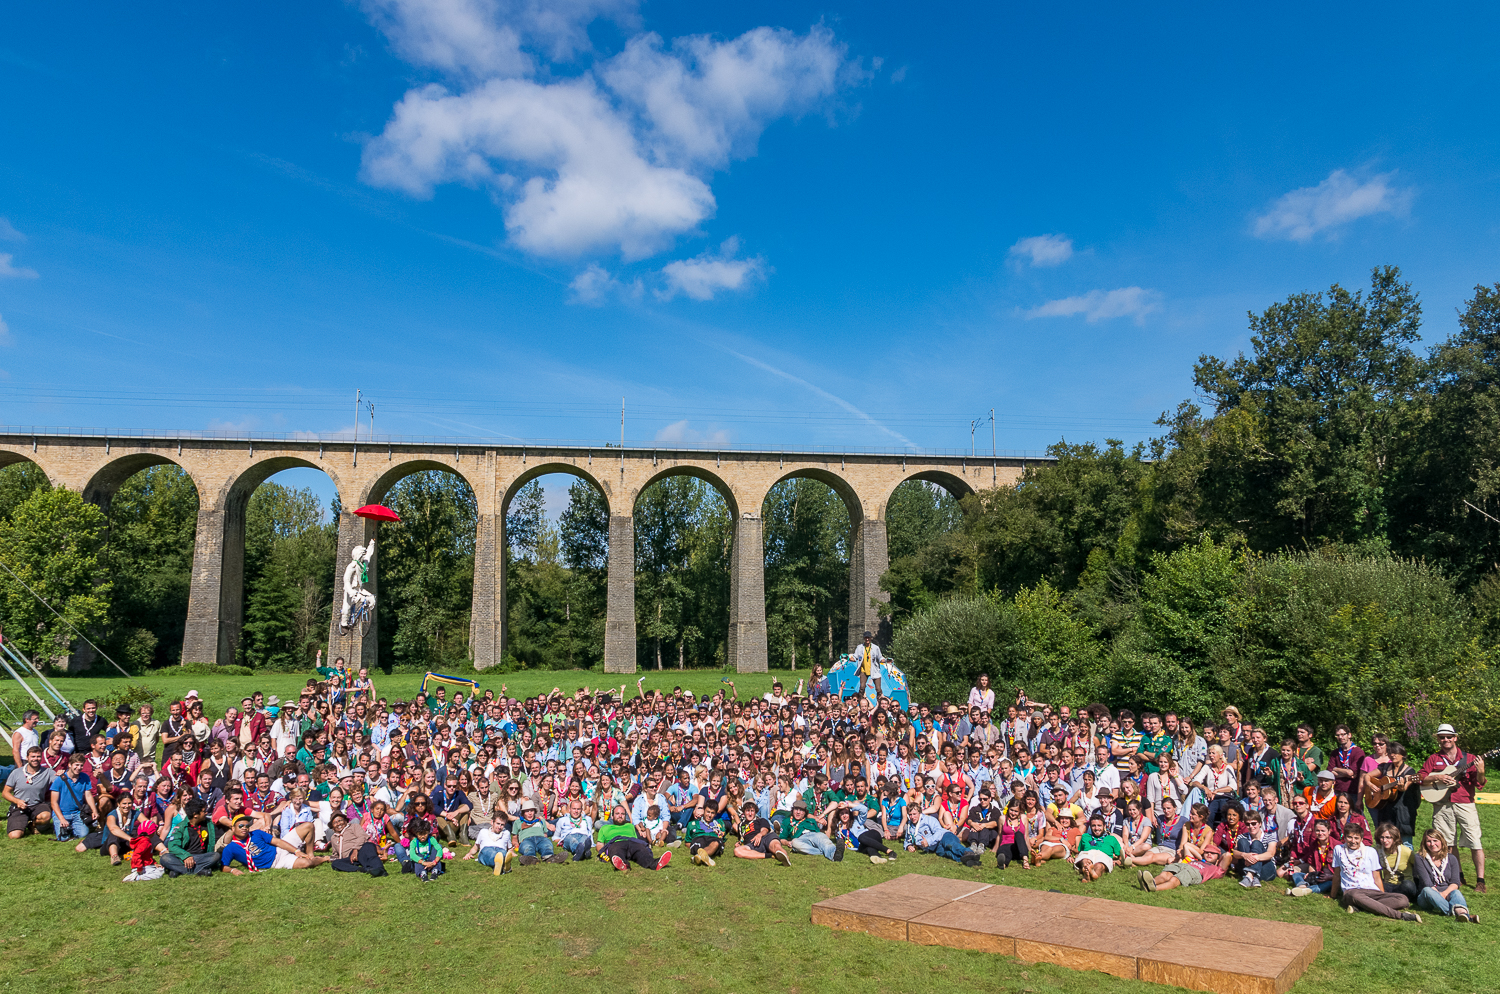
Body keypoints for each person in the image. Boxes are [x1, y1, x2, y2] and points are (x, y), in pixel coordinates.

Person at [1419, 723, 1486, 894]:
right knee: (1448, 843)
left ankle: (1480, 881)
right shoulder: (1433, 758)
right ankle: (1459, 876)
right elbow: (1420, 777)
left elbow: (1480, 783)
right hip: (1442, 804)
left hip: (1465, 802)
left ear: (1455, 738)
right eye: (1442, 737)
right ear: (1438, 739)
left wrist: (1481, 771)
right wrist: (1438, 776)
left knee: (1474, 841)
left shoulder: (1469, 758)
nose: (1446, 740)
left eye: (1449, 736)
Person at [1332, 821, 1421, 922]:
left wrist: (1382, 894)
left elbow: (1377, 876)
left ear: (1361, 839)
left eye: (1356, 838)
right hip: (1352, 891)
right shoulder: (1339, 850)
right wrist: (1333, 895)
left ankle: (1360, 907)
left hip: (1371, 891)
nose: (1353, 841)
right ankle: (1400, 916)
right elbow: (1336, 875)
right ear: (1345, 838)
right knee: (1355, 896)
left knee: (1403, 900)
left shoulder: (1370, 851)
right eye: (1349, 837)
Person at [1413, 827, 1477, 923]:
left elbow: (1455, 882)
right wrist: (1439, 895)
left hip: (1447, 892)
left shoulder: (1451, 858)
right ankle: (1456, 913)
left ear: (1442, 842)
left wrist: (1444, 894)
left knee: (1456, 892)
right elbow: (1427, 883)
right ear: (1424, 843)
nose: (1432, 844)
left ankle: (1462, 914)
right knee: (1427, 890)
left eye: (1435, 840)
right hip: (1427, 895)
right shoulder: (1420, 857)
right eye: (1429, 841)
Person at [599, 803, 672, 872]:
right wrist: (603, 854)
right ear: (612, 816)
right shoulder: (605, 828)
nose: (620, 816)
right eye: (617, 814)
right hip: (616, 843)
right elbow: (599, 844)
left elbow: (636, 838)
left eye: (622, 814)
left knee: (641, 850)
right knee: (617, 851)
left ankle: (655, 863)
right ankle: (623, 864)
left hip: (632, 842)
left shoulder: (630, 826)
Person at [49, 752, 98, 848]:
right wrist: (62, 819)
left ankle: (71, 827)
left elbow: (88, 795)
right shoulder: (59, 780)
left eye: (81, 765)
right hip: (62, 813)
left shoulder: (85, 777)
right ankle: (60, 826)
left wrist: (94, 810)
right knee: (64, 838)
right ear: (70, 765)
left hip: (77, 813)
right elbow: (53, 802)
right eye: (76, 765)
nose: (79, 768)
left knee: (83, 834)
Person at [5, 746, 55, 839]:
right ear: (27, 757)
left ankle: (32, 825)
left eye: (38, 756)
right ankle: (19, 822)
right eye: (33, 756)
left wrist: (63, 774)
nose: (35, 759)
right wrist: (17, 801)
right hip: (19, 806)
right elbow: (5, 793)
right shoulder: (16, 772)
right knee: (14, 836)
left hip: (37, 804)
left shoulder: (48, 772)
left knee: (46, 816)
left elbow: (62, 783)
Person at [161, 799, 218, 877]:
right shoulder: (181, 827)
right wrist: (186, 856)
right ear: (195, 815)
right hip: (183, 858)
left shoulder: (209, 824)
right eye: (204, 811)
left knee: (216, 856)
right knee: (165, 858)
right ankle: (200, 870)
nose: (206, 813)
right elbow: (172, 846)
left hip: (201, 857)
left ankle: (178, 870)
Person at [328, 810, 387, 877]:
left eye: (340, 820)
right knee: (335, 864)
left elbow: (362, 837)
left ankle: (380, 869)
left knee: (368, 846)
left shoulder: (354, 827)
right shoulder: (333, 837)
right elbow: (336, 854)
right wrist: (325, 858)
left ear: (345, 820)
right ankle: (363, 869)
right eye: (335, 822)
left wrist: (355, 850)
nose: (338, 824)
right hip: (349, 858)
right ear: (332, 825)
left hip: (361, 851)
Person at [733, 800, 791, 865]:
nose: (750, 813)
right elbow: (742, 838)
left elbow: (765, 830)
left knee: (776, 845)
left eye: (752, 811)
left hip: (766, 838)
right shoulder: (740, 825)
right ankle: (769, 855)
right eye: (747, 811)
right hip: (752, 844)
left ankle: (785, 858)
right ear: (744, 812)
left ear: (755, 812)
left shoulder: (760, 820)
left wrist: (759, 835)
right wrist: (739, 843)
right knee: (737, 851)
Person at [1231, 811, 1278, 888]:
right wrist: (1244, 855)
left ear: (1260, 823)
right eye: (1248, 824)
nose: (1251, 826)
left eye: (1253, 823)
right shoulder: (1241, 837)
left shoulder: (1270, 837)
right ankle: (1253, 877)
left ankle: (1250, 875)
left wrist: (1254, 857)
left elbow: (1270, 853)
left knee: (1256, 843)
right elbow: (1235, 853)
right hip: (1244, 867)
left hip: (1265, 867)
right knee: (1242, 841)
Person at [1074, 812, 1123, 882]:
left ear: (1104, 826)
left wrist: (1119, 861)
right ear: (1090, 827)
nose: (1096, 828)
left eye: (1099, 825)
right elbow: (1079, 851)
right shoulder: (1085, 836)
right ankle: (1090, 874)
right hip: (1088, 853)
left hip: (1104, 855)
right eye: (1093, 826)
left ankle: (1091, 874)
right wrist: (1073, 856)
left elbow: (1120, 855)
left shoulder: (1111, 839)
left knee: (1099, 865)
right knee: (1085, 860)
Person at [851, 631, 883, 700]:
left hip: (874, 670)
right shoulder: (859, 647)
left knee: (878, 688)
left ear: (871, 638)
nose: (867, 639)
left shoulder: (875, 648)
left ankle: (880, 702)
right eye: (866, 638)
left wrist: (885, 660)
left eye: (868, 638)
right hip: (863, 670)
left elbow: (880, 657)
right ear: (864, 638)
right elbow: (855, 656)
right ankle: (860, 701)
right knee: (862, 687)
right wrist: (851, 658)